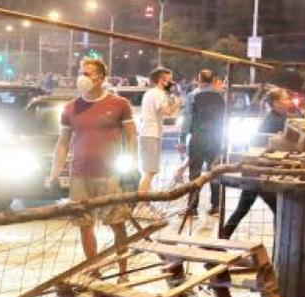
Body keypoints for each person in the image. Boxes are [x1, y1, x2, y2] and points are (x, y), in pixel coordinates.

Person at [48, 58, 137, 263]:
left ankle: (124, 271)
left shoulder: (119, 104)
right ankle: (93, 269)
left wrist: (132, 165)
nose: (82, 77)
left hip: (111, 175)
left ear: (100, 77)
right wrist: (55, 171)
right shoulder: (71, 108)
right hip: (80, 176)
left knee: (117, 223)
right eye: (81, 72)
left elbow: (132, 136)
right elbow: (62, 143)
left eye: (87, 73)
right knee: (85, 226)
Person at [222, 87, 295, 239]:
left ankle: (220, 241)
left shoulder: (280, 118)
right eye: (285, 99)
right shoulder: (274, 121)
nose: (289, 101)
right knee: (279, 210)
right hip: (259, 172)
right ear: (275, 103)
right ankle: (279, 249)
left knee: (243, 209)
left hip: (256, 171)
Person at [180, 69, 227, 215]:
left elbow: (187, 119)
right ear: (213, 80)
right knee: (214, 171)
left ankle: (192, 207)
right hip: (216, 137)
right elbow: (224, 119)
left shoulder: (192, 96)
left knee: (195, 172)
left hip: (198, 137)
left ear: (198, 80)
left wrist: (182, 139)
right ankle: (216, 206)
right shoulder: (221, 97)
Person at [137, 68, 180, 196]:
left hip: (147, 134)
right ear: (162, 81)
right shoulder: (158, 94)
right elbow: (167, 112)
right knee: (150, 171)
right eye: (170, 80)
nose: (172, 83)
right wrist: (178, 103)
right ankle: (141, 204)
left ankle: (146, 202)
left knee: (149, 171)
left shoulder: (151, 93)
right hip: (151, 134)